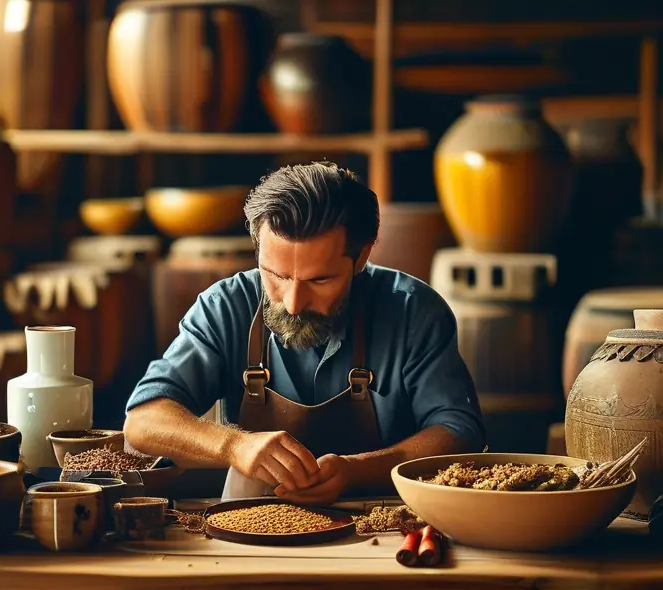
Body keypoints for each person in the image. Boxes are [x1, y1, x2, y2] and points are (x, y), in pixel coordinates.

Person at [124, 162, 485, 505]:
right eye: (277, 275)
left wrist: (356, 470)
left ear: (361, 257)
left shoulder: (413, 311)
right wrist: (233, 445)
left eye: (320, 279)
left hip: (384, 522)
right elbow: (142, 422)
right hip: (249, 524)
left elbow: (458, 431)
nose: (294, 303)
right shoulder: (226, 306)